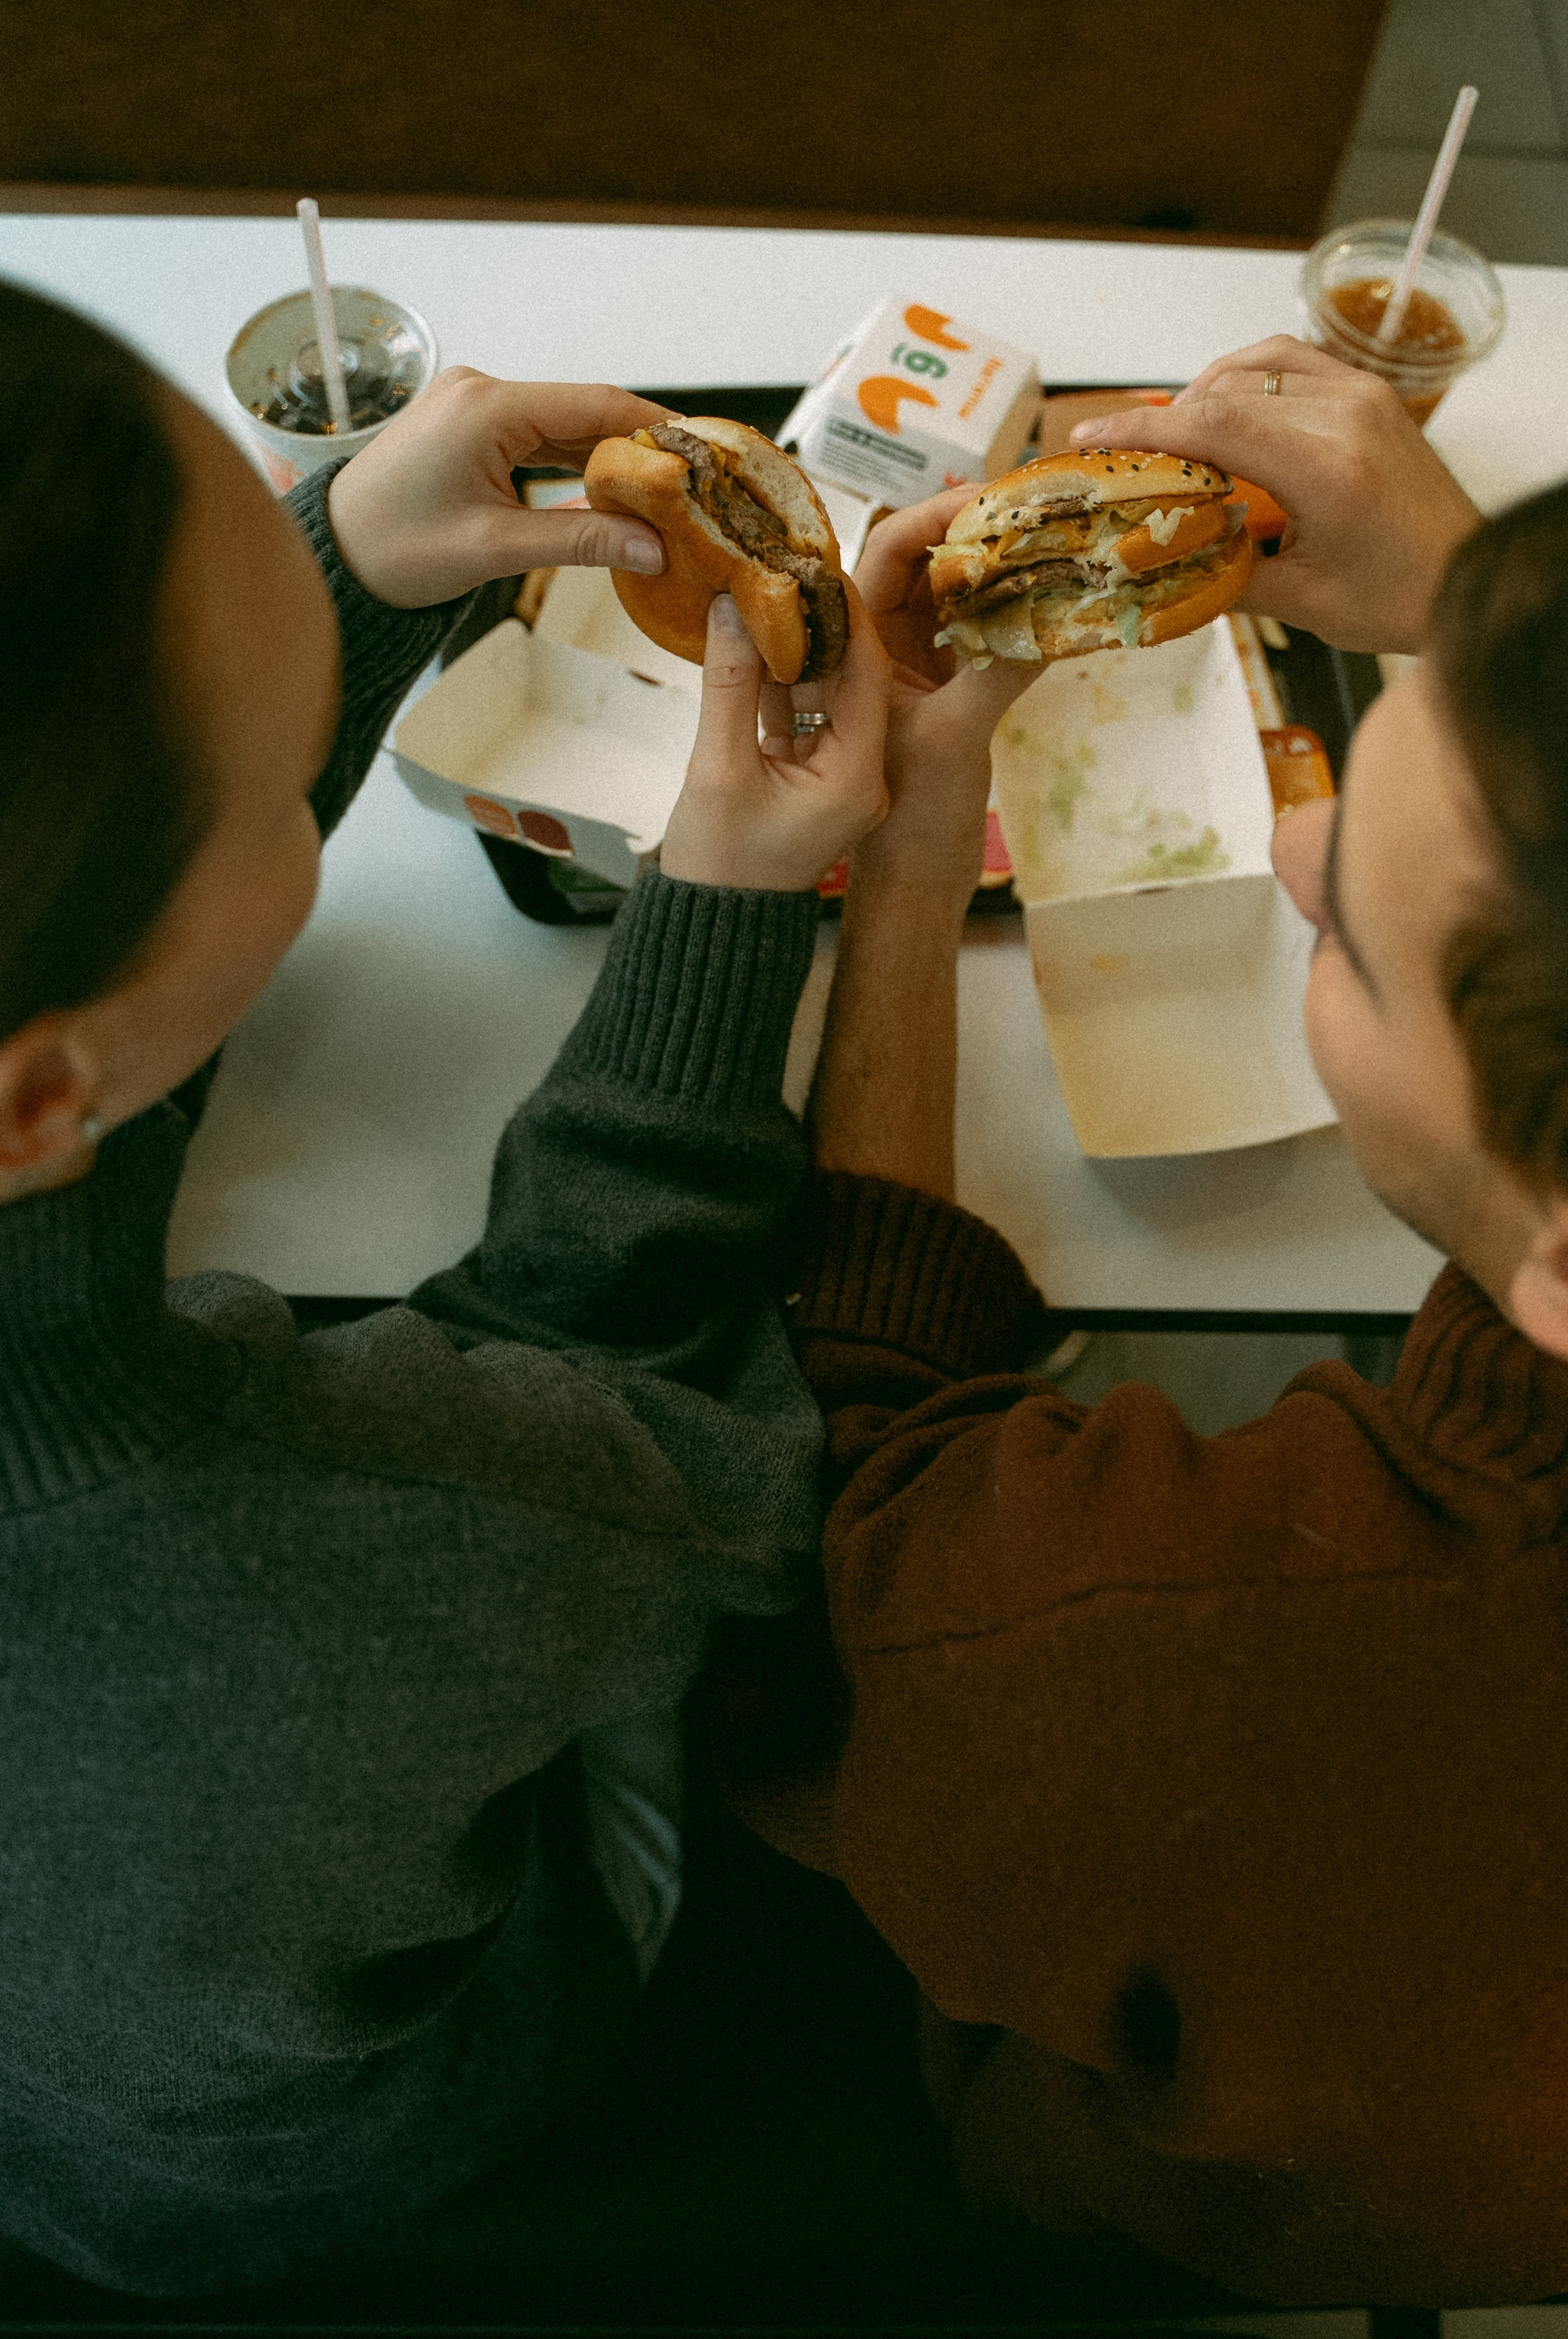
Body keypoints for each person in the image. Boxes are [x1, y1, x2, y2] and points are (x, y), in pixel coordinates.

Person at [0, 277, 893, 2296]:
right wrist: (735, 902)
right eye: (282, 756)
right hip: (316, 2152)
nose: (315, 728)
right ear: (36, 1090)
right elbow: (662, 1446)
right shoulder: (304, 1562)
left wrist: (344, 568)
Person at [712, 337, 1568, 2306]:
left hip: (1160, 2197)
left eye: (1352, 930)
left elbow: (853, 1566)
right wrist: (1486, 618)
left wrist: (917, 849)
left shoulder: (1160, 1661)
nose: (1290, 849)